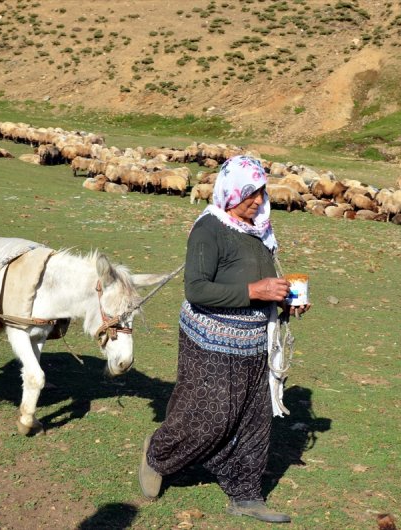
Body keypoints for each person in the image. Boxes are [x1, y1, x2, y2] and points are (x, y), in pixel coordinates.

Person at [139, 155, 310, 524]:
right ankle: (158, 454)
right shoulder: (209, 230)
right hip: (209, 340)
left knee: (254, 418)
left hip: (253, 342)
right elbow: (197, 289)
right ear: (231, 192)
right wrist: (255, 290)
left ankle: (245, 494)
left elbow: (266, 286)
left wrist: (284, 302)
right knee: (208, 415)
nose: (257, 201)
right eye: (249, 194)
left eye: (261, 193)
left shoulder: (260, 232)